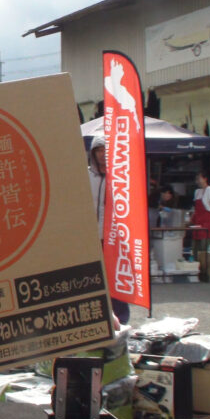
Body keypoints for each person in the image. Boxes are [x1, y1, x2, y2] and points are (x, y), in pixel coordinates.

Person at [87, 135, 131, 325]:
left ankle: (121, 319)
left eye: (105, 150)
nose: (102, 154)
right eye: (98, 150)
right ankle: (96, 317)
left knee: (115, 277)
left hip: (114, 237)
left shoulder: (120, 176)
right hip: (91, 236)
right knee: (93, 277)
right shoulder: (86, 175)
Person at [189, 170, 210, 268]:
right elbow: (195, 208)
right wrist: (191, 218)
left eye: (199, 178)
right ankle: (196, 266)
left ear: (205, 179)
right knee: (195, 246)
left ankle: (206, 267)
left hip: (207, 221)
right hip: (198, 222)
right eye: (196, 179)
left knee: (205, 245)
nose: (197, 181)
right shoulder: (197, 192)